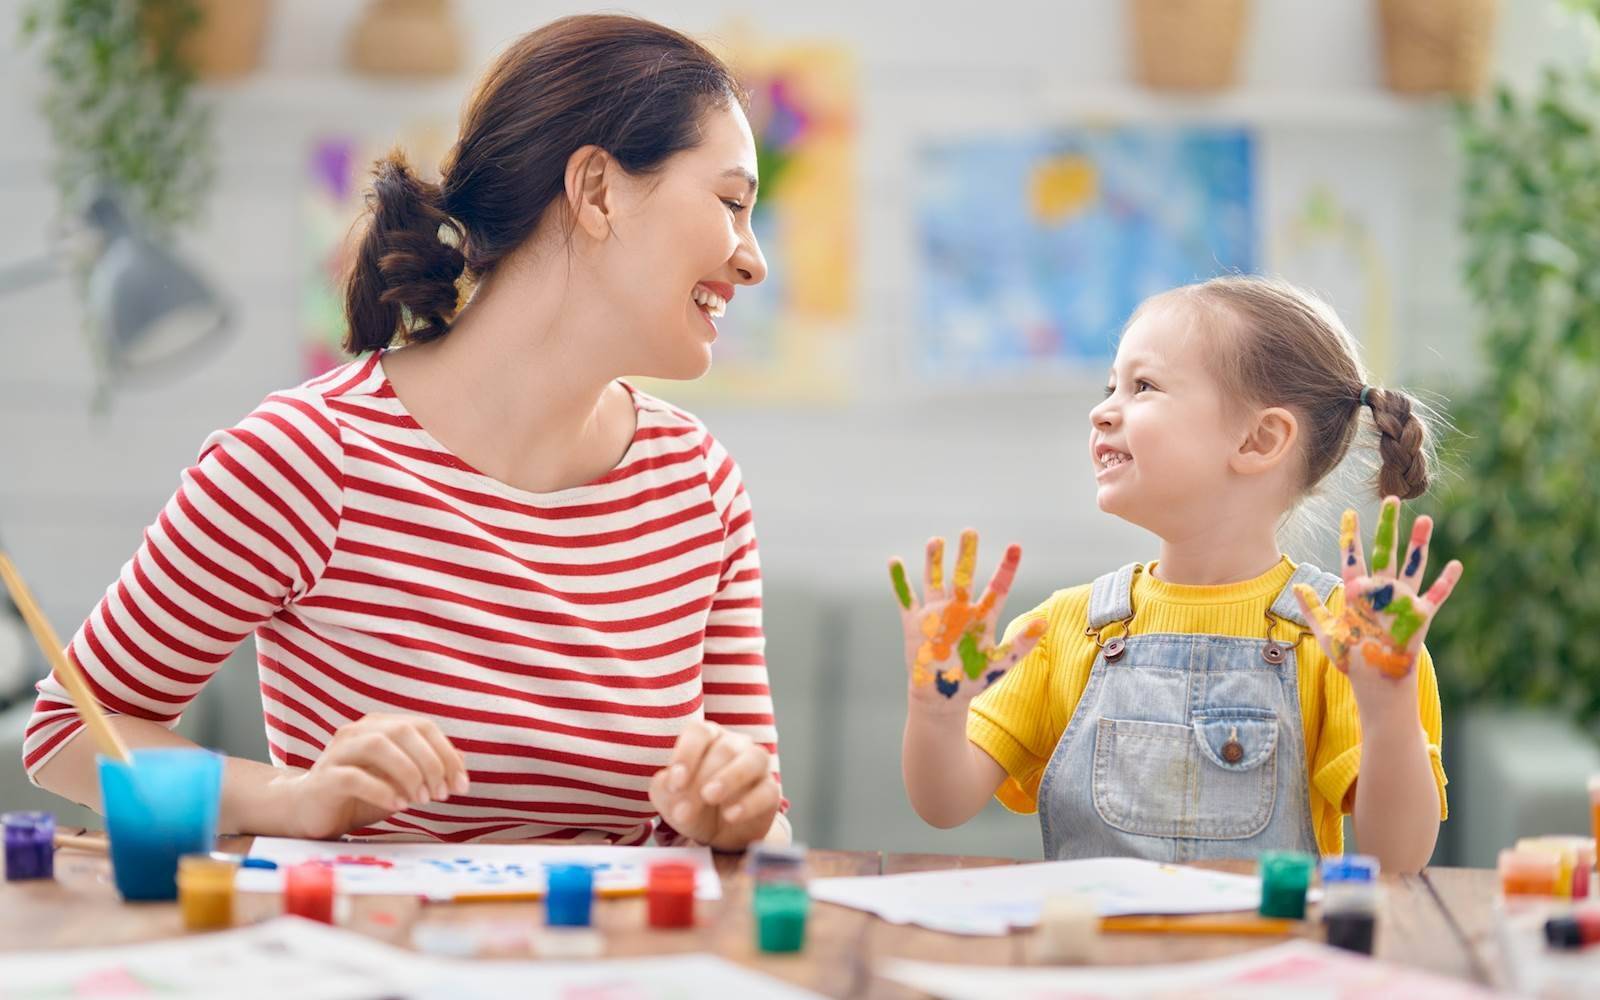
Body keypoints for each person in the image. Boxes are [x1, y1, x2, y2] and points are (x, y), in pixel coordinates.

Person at [25, 14, 788, 850]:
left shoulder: (698, 485)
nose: (753, 260)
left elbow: (768, 830)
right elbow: (69, 733)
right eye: (731, 203)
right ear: (598, 191)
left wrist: (738, 819)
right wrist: (294, 798)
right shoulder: (308, 459)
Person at [891, 276, 1460, 873]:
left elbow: (1398, 859)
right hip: (1097, 937)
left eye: (1143, 386)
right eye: (1111, 386)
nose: (1101, 410)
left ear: (1259, 439)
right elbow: (943, 803)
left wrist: (1387, 703)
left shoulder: (1351, 643)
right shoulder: (1062, 631)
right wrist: (937, 709)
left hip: (1264, 938)